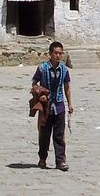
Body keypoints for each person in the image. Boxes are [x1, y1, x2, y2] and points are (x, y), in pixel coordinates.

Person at [31, 41, 74, 171]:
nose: (58, 56)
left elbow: (66, 87)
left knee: (59, 135)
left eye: (60, 53)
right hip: (45, 106)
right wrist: (40, 95)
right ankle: (42, 158)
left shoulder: (64, 69)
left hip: (59, 105)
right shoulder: (42, 68)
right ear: (50, 54)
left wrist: (70, 103)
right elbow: (34, 83)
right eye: (55, 53)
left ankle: (60, 161)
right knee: (44, 134)